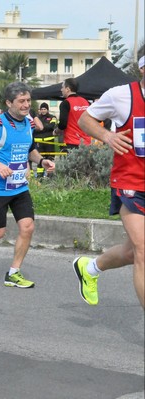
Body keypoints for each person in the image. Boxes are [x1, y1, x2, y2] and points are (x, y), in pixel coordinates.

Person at [0, 82, 55, 288]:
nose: (26, 105)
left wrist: (41, 161)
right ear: (8, 103)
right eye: (21, 101)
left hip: (20, 187)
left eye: (28, 101)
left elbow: (29, 149)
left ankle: (14, 273)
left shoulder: (30, 124)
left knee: (28, 227)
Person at [72, 56, 145, 308]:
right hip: (131, 184)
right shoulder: (121, 95)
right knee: (143, 251)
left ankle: (90, 268)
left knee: (132, 252)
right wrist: (107, 136)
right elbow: (85, 120)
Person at [54, 78, 91, 151]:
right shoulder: (86, 102)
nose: (61, 90)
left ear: (67, 89)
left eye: (62, 87)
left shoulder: (65, 103)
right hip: (86, 143)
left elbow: (63, 124)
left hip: (71, 143)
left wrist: (56, 131)